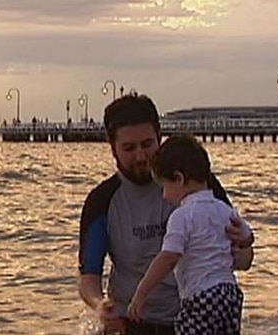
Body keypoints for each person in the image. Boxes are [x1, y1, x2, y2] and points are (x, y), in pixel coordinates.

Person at [77, 94, 254, 335]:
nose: (141, 156)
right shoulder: (102, 200)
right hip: (132, 323)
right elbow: (88, 277)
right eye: (129, 148)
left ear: (160, 138)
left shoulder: (197, 184)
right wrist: (99, 305)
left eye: (148, 144)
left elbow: (243, 260)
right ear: (113, 148)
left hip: (198, 319)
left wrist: (242, 246)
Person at [127, 135, 248, 334]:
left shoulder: (182, 216)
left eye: (165, 186)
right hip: (231, 295)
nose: (164, 195)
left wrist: (141, 294)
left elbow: (168, 258)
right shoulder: (223, 209)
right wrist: (244, 240)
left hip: (201, 296)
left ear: (179, 179)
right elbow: (246, 236)